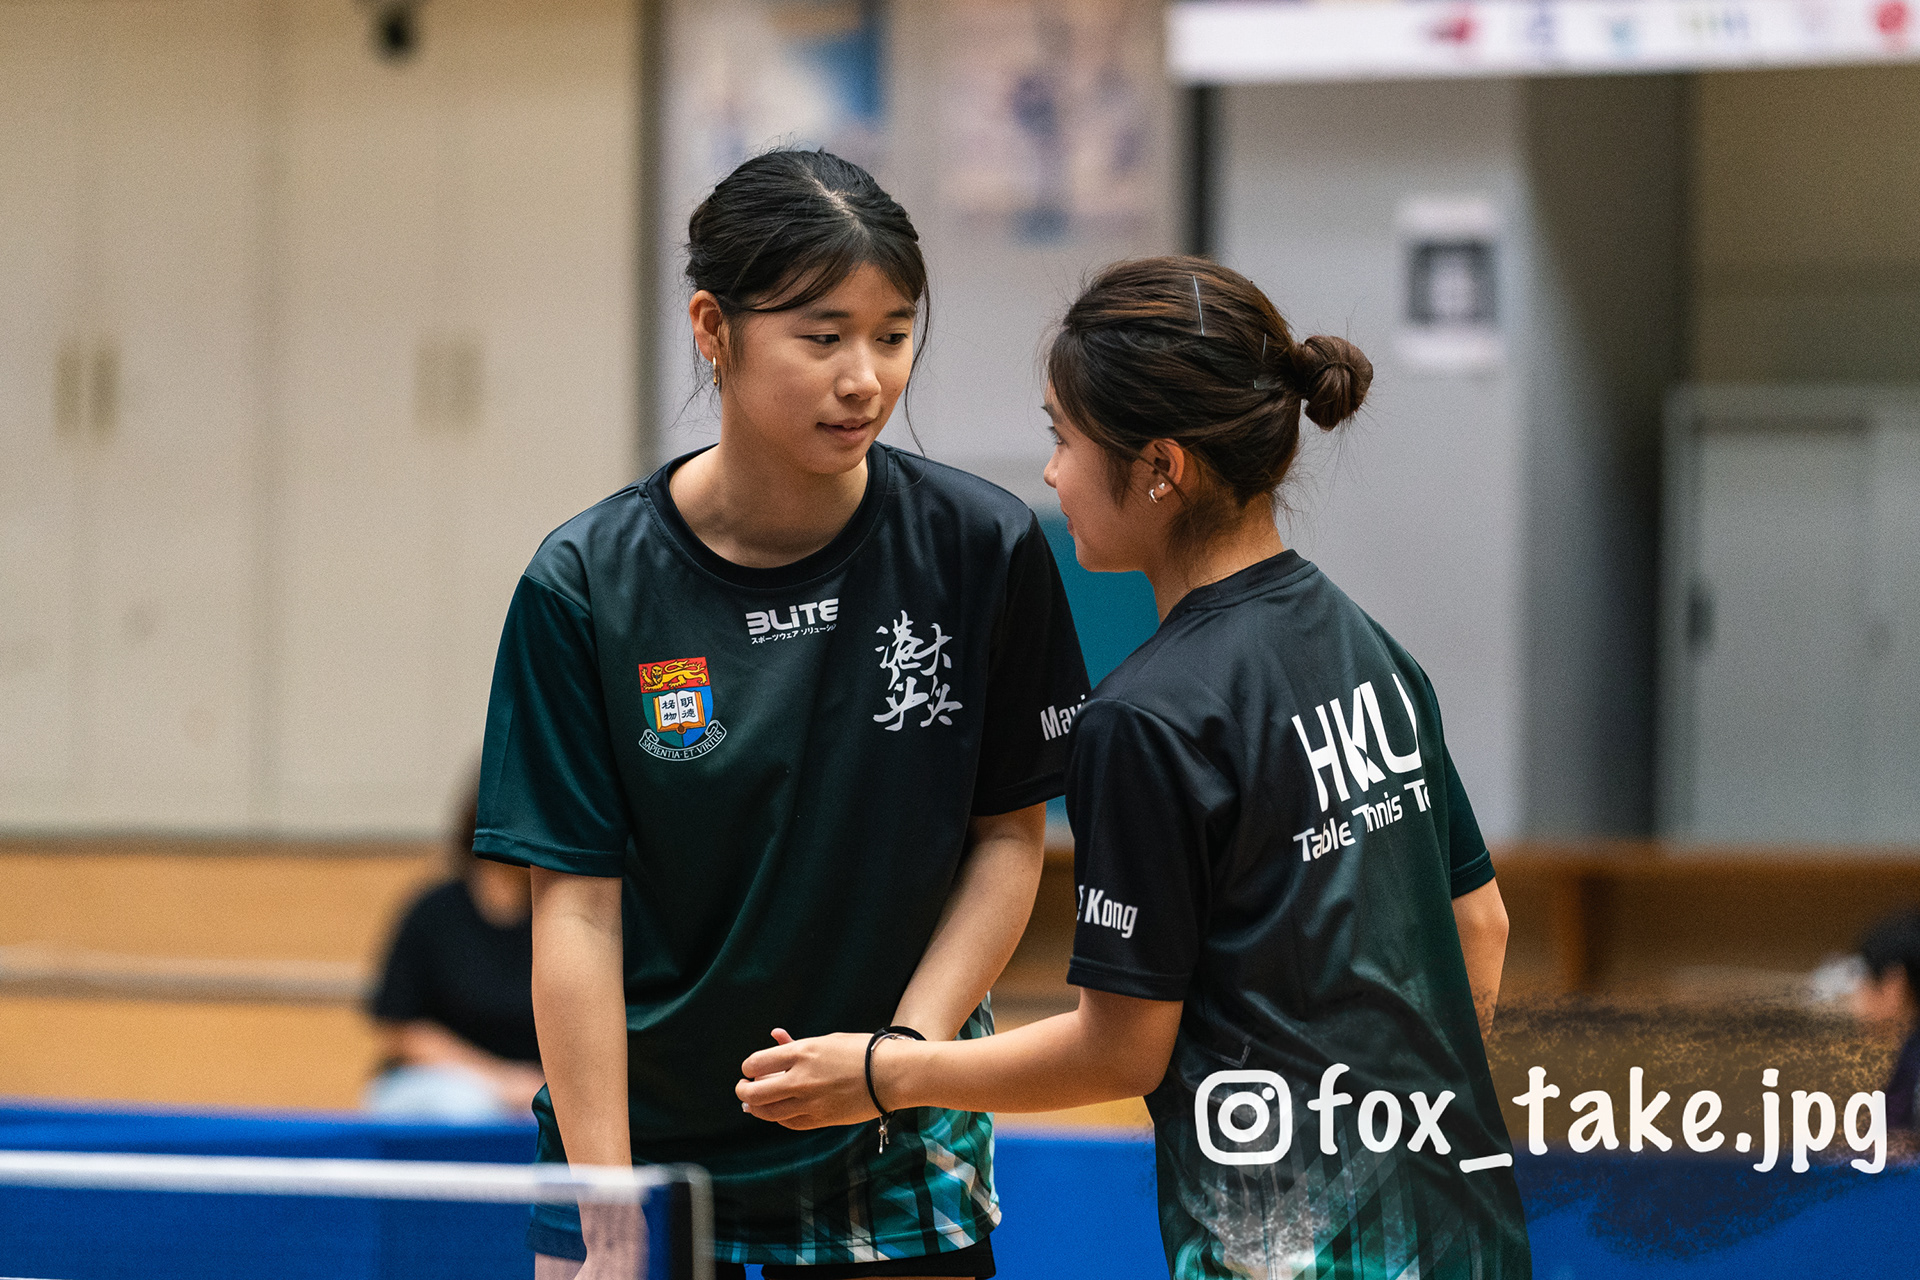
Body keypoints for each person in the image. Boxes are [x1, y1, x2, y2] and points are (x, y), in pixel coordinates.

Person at [738, 256, 1532, 1279]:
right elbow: (1480, 924)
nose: (1052, 477)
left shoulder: (1144, 718)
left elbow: (1119, 1048)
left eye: (1063, 439)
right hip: (1467, 1229)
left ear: (1161, 467)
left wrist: (888, 1073)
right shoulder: (1371, 648)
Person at [473, 147, 1090, 1278]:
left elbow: (1007, 838)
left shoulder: (981, 547)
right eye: (823, 336)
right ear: (714, 328)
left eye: (893, 334)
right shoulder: (585, 585)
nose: (867, 378)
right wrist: (607, 1203)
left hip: (892, 1144)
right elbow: (576, 912)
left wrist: (898, 1061)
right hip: (638, 1138)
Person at [365, 779, 544, 1121]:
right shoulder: (434, 912)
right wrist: (499, 1081)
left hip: (536, 1090)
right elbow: (400, 1030)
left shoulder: (563, 922)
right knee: (469, 1109)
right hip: (434, 1082)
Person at [1852, 908, 1920, 1135]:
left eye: (1861, 980)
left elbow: (1890, 1145)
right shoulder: (1910, 1054)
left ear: (1894, 984)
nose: (1853, 997)